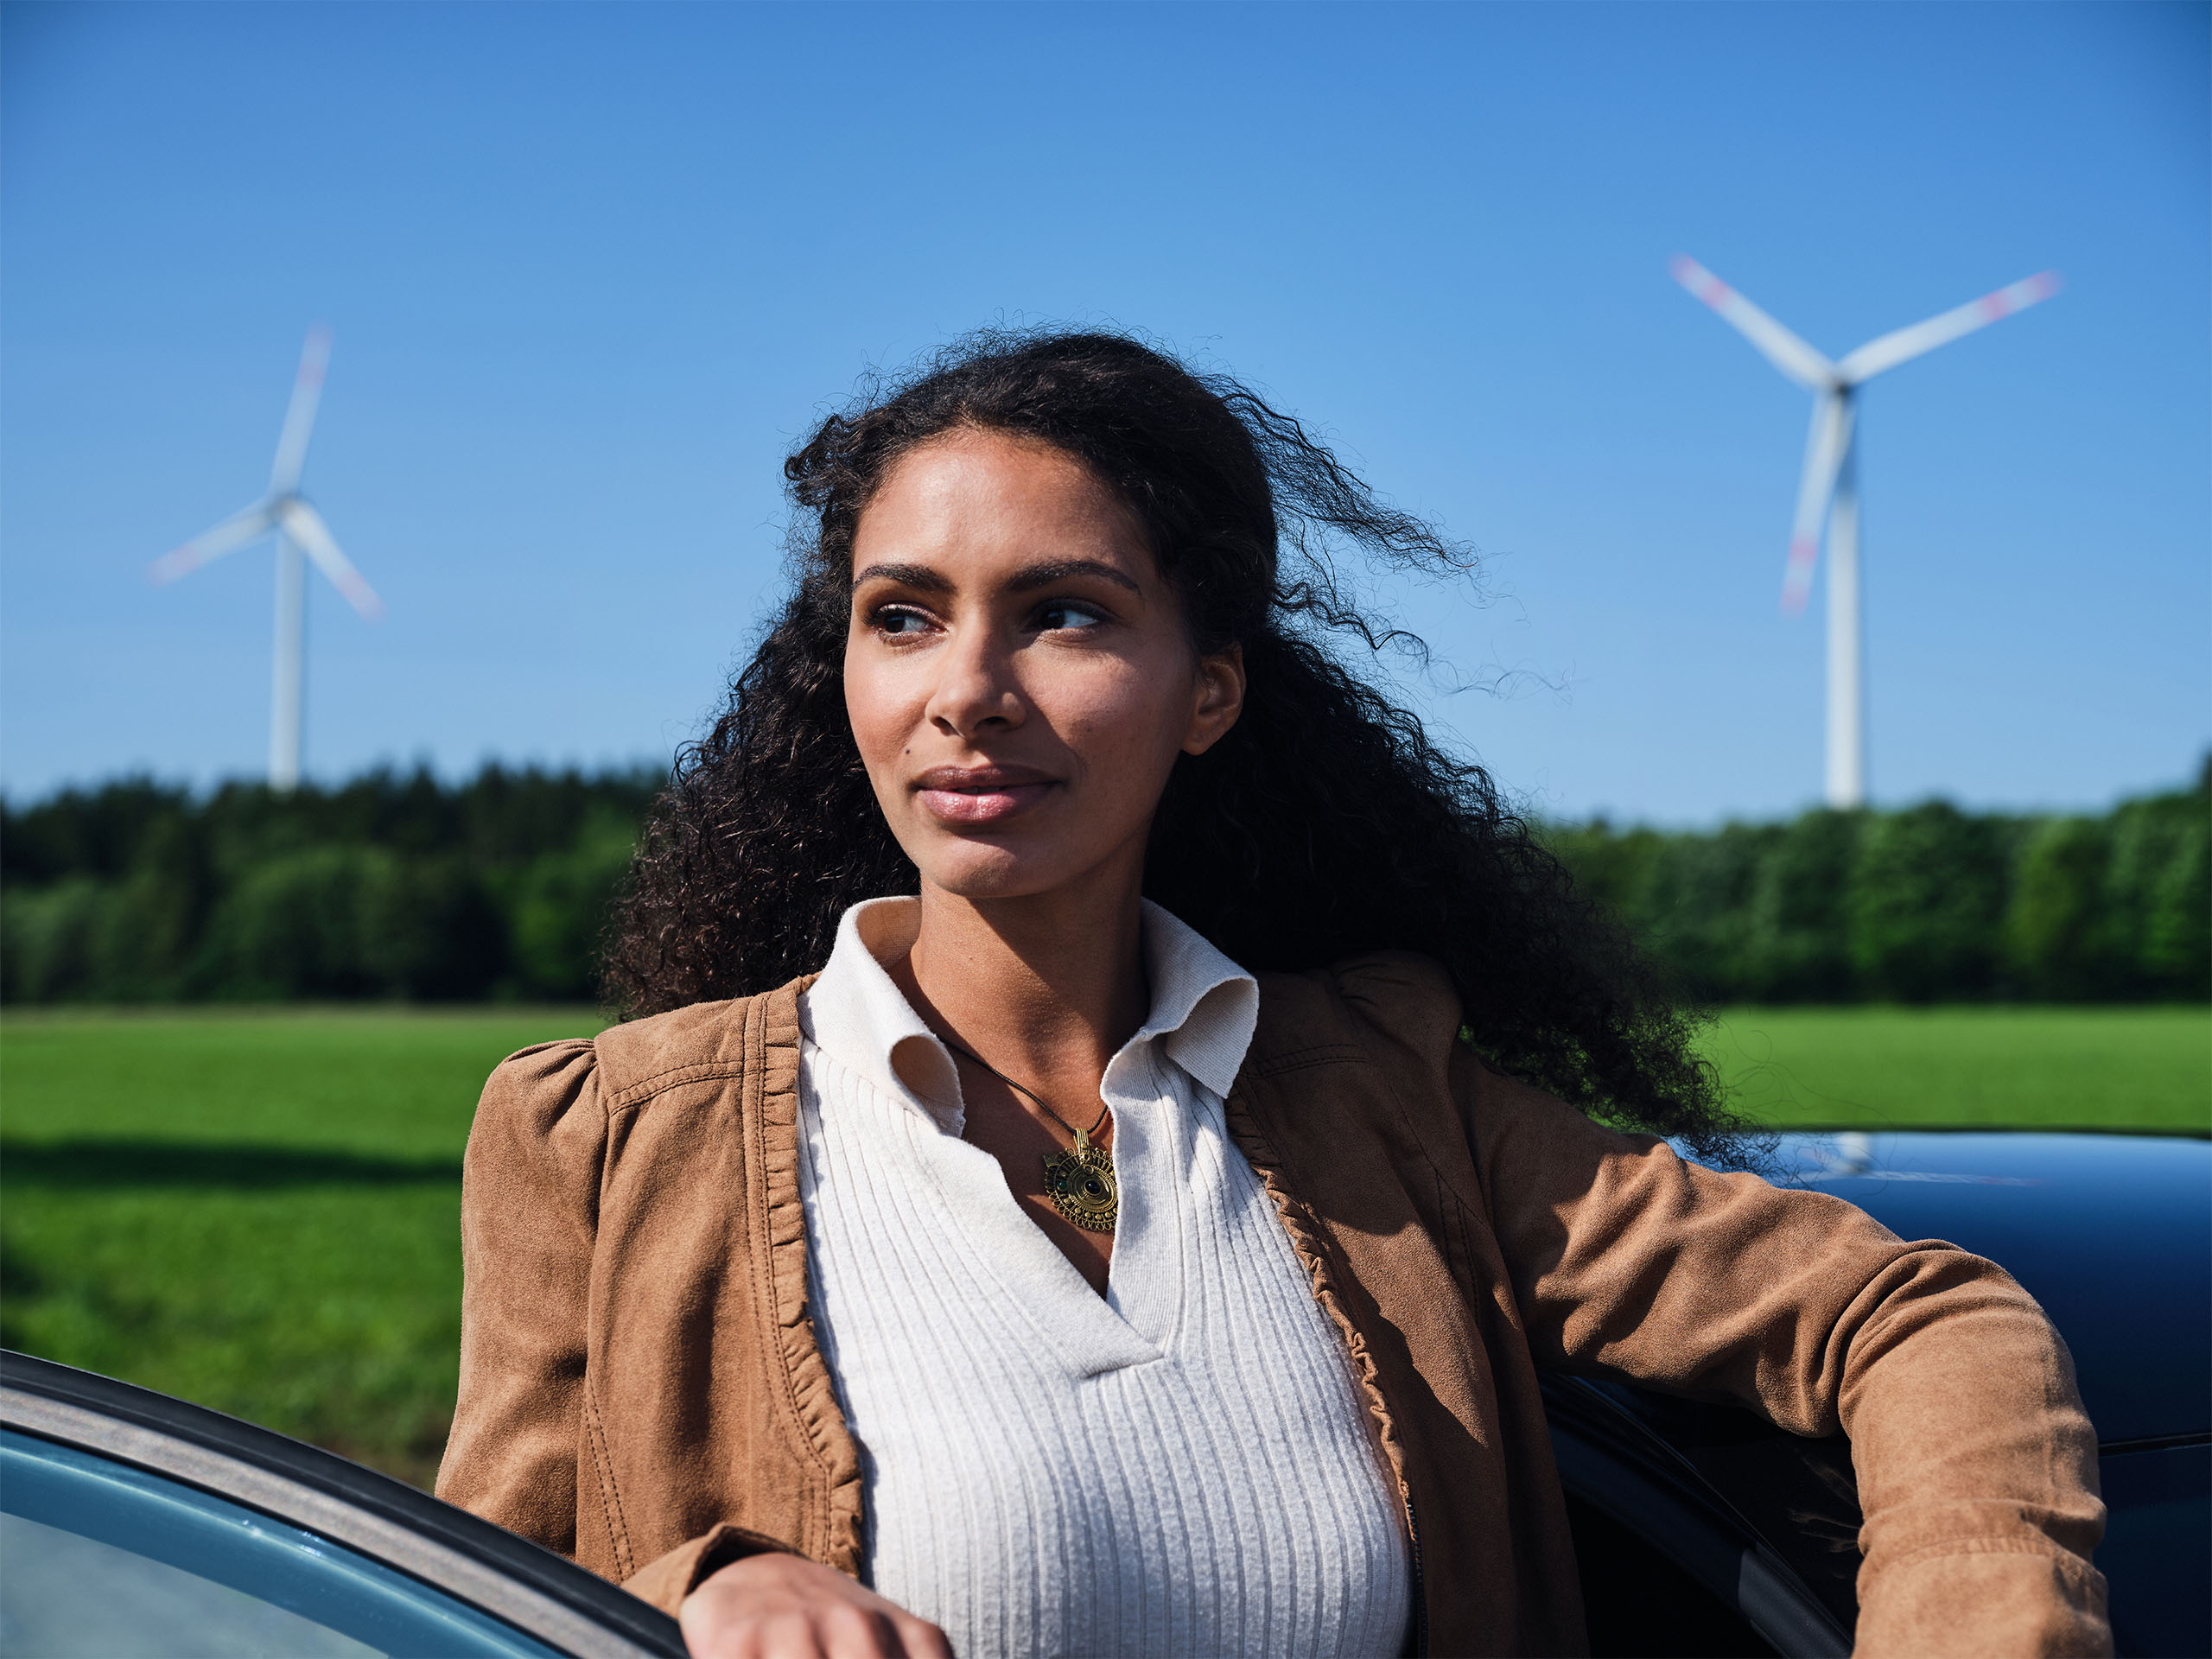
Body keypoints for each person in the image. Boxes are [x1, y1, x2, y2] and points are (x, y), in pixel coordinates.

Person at [437, 331, 2108, 1659]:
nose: (967, 692)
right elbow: (448, 1613)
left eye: (1064, 614)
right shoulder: (606, 1139)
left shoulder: (1387, 1096)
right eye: (904, 619)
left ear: (1208, 691)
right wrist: (684, 1596)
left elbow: (1915, 1318)